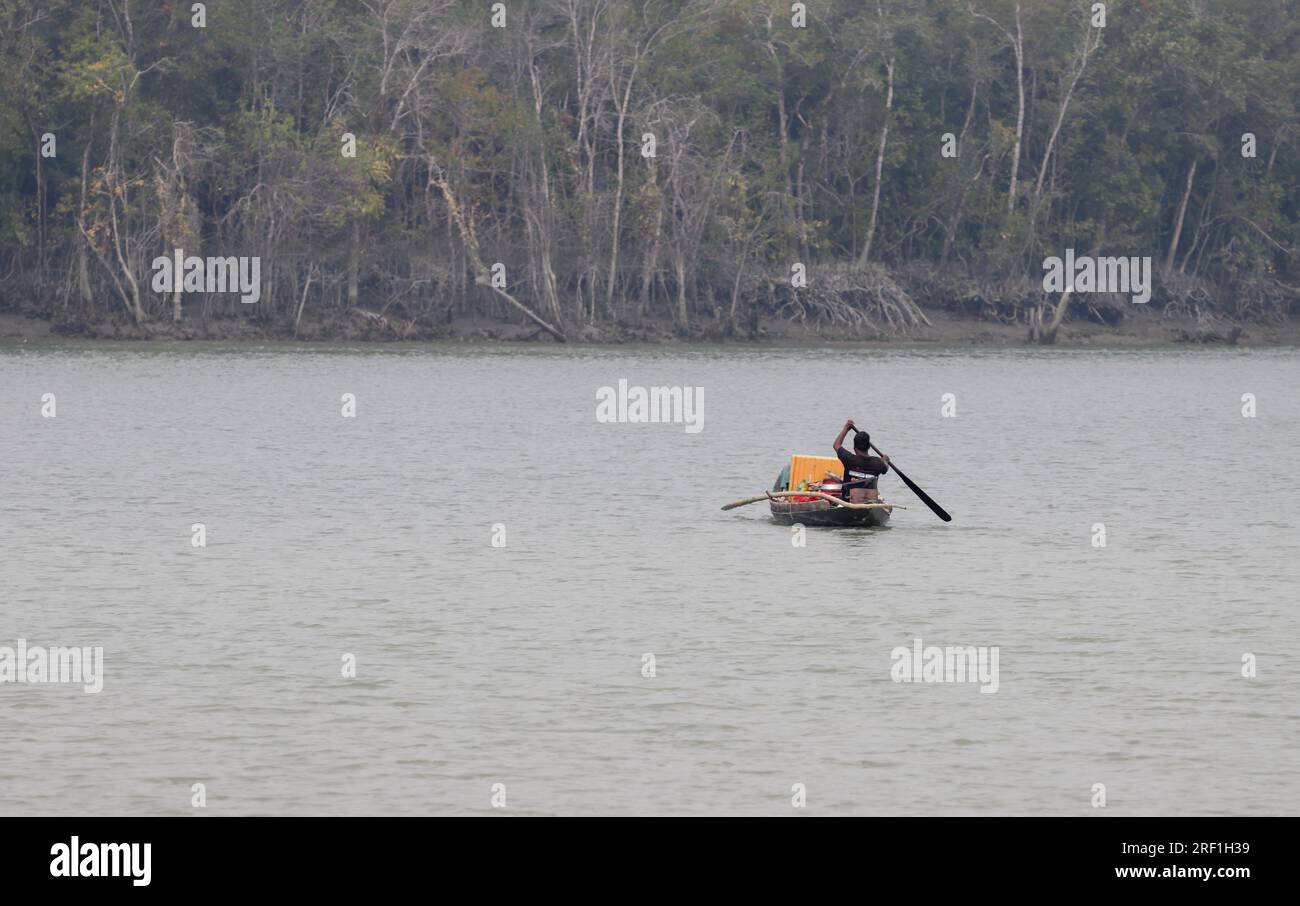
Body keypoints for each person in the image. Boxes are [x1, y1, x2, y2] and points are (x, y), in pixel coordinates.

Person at [832, 419, 890, 503]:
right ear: (868, 447)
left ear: (854, 448)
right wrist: (885, 460)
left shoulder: (849, 459)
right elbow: (885, 468)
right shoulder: (878, 463)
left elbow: (836, 445)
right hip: (869, 502)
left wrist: (846, 428)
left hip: (848, 501)